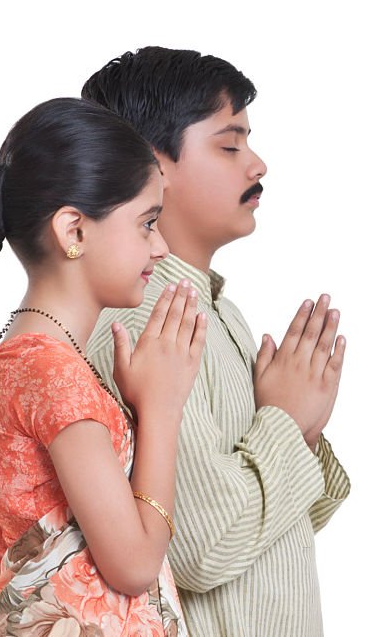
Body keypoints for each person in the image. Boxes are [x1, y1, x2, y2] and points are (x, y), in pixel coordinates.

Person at [81, 48, 351, 636]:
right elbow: (202, 549)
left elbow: (286, 527)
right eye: (229, 145)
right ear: (149, 167)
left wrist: (298, 428)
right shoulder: (144, 321)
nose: (257, 164)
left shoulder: (216, 311)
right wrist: (283, 419)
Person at [0, 97, 207, 637]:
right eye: (147, 223)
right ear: (73, 231)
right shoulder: (54, 376)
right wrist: (163, 410)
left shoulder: (17, 362)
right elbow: (133, 564)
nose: (162, 244)